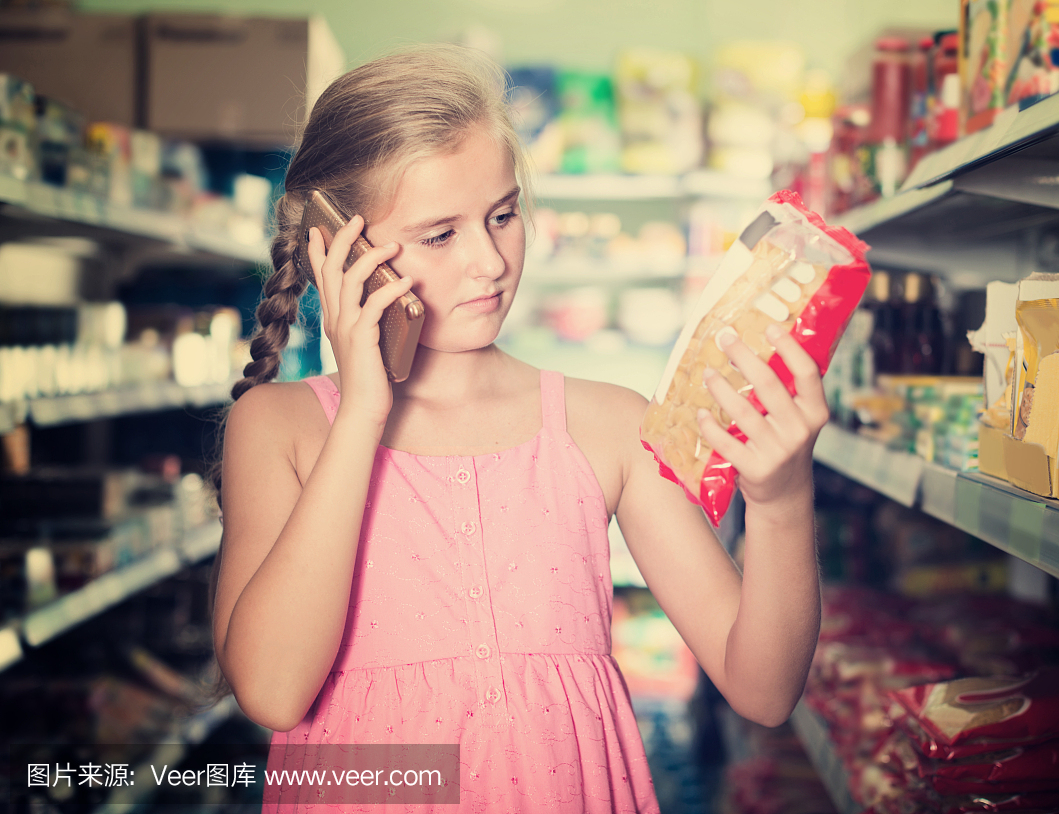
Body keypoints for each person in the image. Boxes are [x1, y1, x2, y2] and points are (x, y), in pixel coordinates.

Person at [211, 44, 825, 813]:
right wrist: (364, 410)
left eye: (503, 215)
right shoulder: (282, 428)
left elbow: (764, 690)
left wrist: (782, 500)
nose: (489, 262)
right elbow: (271, 690)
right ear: (340, 245)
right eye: (440, 235)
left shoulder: (607, 425)